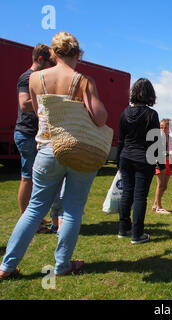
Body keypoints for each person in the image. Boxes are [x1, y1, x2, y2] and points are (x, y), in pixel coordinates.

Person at [0, 31, 108, 279]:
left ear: (53, 53)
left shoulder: (35, 79)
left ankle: (6, 266)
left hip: (48, 148)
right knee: (72, 209)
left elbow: (39, 114)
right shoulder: (83, 80)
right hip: (78, 150)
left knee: (34, 209)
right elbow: (100, 118)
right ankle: (62, 265)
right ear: (78, 53)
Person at [14, 44, 55, 233]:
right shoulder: (27, 77)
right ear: (40, 60)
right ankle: (28, 220)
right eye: (49, 63)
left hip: (35, 134)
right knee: (28, 178)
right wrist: (47, 99)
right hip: (26, 133)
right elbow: (24, 105)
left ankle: (33, 217)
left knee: (35, 178)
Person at [117, 78, 163, 244]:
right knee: (139, 196)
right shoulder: (151, 114)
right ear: (150, 94)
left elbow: (120, 139)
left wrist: (117, 162)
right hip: (144, 159)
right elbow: (156, 141)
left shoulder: (125, 112)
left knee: (127, 193)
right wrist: (161, 162)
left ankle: (123, 228)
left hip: (126, 157)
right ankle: (137, 234)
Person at [152, 119, 172, 215]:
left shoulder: (171, 139)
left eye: (166, 128)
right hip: (160, 162)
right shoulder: (158, 138)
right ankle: (159, 207)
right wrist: (169, 153)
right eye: (161, 127)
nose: (163, 130)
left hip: (168, 163)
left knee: (164, 186)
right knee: (160, 185)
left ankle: (155, 204)